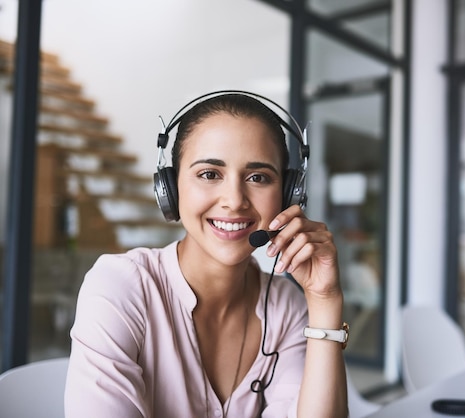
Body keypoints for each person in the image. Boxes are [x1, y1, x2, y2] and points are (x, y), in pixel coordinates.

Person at [64, 92, 349, 418]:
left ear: (287, 196)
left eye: (258, 177)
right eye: (210, 173)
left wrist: (324, 300)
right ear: (170, 189)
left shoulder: (286, 307)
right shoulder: (121, 288)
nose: (234, 200)